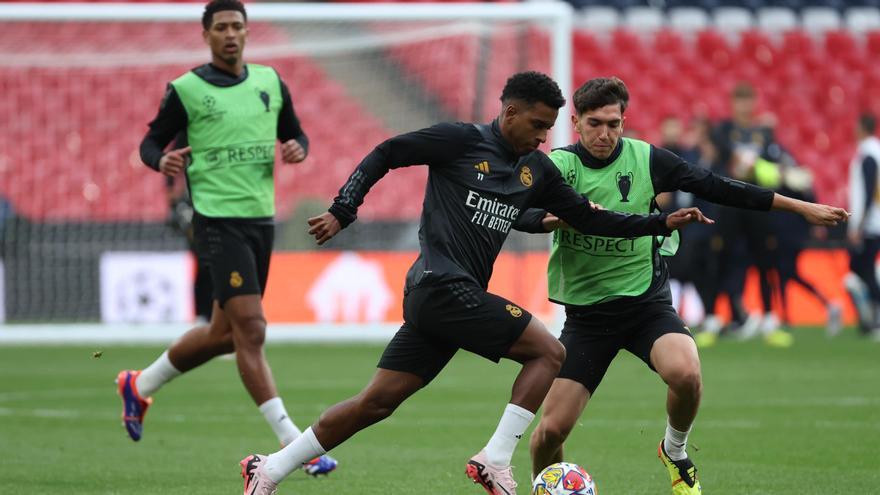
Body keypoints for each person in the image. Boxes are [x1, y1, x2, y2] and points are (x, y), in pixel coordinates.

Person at [238, 71, 712, 495]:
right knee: (548, 352)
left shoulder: (537, 169)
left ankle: (269, 469)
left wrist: (659, 223)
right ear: (510, 112)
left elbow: (591, 220)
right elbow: (388, 152)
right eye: (538, 125)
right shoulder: (458, 141)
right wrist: (345, 209)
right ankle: (494, 459)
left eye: (551, 128)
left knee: (375, 402)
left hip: (444, 303)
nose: (545, 137)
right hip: (438, 284)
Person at [515, 77, 848, 495]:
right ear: (576, 122)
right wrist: (554, 218)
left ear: (625, 122)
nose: (605, 134)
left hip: (645, 307)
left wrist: (800, 206)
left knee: (686, 372)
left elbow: (719, 186)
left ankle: (674, 449)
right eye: (595, 123)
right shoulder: (558, 166)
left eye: (614, 124)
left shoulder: (647, 160)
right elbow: (518, 212)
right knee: (549, 434)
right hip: (588, 317)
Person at [117, 0, 337, 475]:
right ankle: (297, 447)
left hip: (261, 220)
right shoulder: (187, 89)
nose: (230, 34)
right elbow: (150, 142)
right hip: (215, 220)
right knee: (251, 330)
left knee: (222, 335)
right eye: (221, 27)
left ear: (247, 31)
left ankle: (138, 385)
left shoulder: (269, 82)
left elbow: (295, 134)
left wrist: (298, 147)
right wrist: (162, 161)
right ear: (207, 35)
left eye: (238, 26)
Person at [847, 113, 880, 340]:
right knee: (862, 269)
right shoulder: (875, 151)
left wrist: (859, 224)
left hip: (869, 224)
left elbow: (868, 191)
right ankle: (871, 316)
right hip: (873, 221)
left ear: (862, 128)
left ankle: (875, 317)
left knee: (862, 268)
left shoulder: (867, 154)